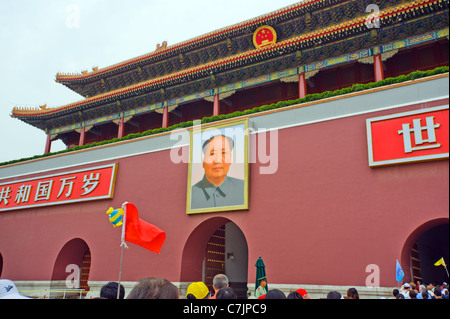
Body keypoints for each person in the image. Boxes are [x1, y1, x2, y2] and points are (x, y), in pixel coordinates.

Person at [191, 134, 244, 209]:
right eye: (212, 154)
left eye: (223, 153)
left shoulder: (243, 188)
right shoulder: (191, 195)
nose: (218, 160)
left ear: (230, 159)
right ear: (203, 162)